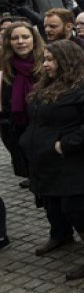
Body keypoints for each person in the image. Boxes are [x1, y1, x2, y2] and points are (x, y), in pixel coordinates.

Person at [20, 40, 84, 293]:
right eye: (46, 59)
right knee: (74, 214)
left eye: (51, 60)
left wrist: (66, 145)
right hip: (55, 166)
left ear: (68, 61)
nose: (46, 65)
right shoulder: (51, 83)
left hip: (80, 165)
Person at [0, 22, 44, 190]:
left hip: (45, 129)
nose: (20, 41)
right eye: (15, 38)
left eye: (25, 37)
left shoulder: (47, 63)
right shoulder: (6, 66)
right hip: (18, 129)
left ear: (34, 39)